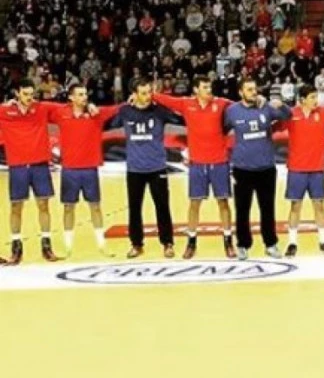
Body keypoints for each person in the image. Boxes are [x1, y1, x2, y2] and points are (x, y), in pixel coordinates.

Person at [153, 75, 235, 259]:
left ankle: (228, 241)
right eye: (205, 87)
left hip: (219, 161)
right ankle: (191, 242)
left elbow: (241, 106)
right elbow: (166, 100)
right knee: (194, 203)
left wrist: (259, 100)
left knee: (223, 202)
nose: (209, 90)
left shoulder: (221, 103)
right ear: (196, 90)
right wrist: (151, 93)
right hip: (197, 162)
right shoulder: (186, 104)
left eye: (210, 87)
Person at [111, 78, 181, 259]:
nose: (148, 96)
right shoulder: (125, 111)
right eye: (143, 93)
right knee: (135, 208)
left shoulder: (159, 111)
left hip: (157, 167)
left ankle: (167, 243)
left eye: (150, 92)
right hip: (135, 169)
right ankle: (136, 244)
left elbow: (182, 119)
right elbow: (105, 124)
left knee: (162, 207)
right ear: (134, 94)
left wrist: (165, 100)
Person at [0, 78, 67, 264]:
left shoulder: (42, 108)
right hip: (18, 166)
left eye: (32, 94)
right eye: (25, 94)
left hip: (39, 165)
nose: (29, 98)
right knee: (16, 207)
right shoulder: (5, 111)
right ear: (17, 93)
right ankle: (16, 248)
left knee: (43, 205)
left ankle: (47, 246)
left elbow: (68, 108)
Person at [49, 84, 121, 257]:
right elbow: (40, 108)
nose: (85, 97)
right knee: (68, 208)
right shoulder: (60, 113)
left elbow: (116, 109)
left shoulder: (96, 114)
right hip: (69, 169)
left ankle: (102, 245)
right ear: (71, 97)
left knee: (95, 207)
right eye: (80, 94)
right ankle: (68, 246)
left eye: (85, 94)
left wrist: (131, 100)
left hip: (90, 169)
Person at [224, 77, 291, 260]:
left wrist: (281, 104)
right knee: (242, 209)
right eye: (249, 89)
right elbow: (222, 130)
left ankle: (270, 244)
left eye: (254, 89)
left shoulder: (265, 107)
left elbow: (287, 116)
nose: (253, 92)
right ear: (241, 92)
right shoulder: (232, 111)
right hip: (242, 169)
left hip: (266, 168)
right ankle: (243, 244)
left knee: (267, 208)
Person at [283, 84, 324, 257]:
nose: (315, 100)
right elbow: (274, 124)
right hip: (296, 168)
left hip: (317, 169)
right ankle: (292, 243)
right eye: (312, 97)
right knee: (295, 206)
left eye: (316, 96)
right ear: (302, 100)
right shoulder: (291, 114)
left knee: (319, 206)